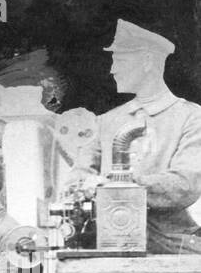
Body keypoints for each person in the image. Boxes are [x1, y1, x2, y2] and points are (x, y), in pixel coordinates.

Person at [72, 19, 201, 254]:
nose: (112, 69)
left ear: (148, 61)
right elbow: (79, 175)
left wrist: (121, 185)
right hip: (110, 243)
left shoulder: (192, 118)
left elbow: (186, 184)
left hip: (170, 246)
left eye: (119, 60)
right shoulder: (106, 121)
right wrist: (83, 186)